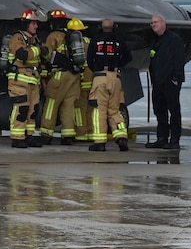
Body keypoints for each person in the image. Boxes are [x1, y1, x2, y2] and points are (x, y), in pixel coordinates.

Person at [86, 18, 132, 152]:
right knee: (115, 110)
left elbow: (90, 59)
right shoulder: (119, 41)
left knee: (98, 110)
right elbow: (128, 57)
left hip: (100, 77)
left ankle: (99, 142)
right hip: (115, 78)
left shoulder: (95, 40)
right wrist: (117, 65)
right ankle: (121, 137)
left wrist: (97, 68)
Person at [38, 10, 80, 145]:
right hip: (74, 76)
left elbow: (46, 55)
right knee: (68, 106)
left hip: (59, 75)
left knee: (51, 103)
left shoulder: (54, 36)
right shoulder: (71, 37)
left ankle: (46, 133)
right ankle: (68, 135)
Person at [147, 14, 187, 150]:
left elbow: (179, 60)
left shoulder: (175, 40)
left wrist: (175, 78)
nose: (153, 25)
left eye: (156, 22)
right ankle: (162, 138)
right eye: (152, 23)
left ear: (163, 23)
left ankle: (174, 139)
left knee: (174, 111)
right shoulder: (156, 41)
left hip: (170, 82)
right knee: (160, 111)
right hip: (158, 82)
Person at [5, 9, 43, 148]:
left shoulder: (35, 39)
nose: (36, 26)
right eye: (33, 23)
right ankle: (17, 137)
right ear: (26, 24)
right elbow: (22, 55)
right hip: (19, 80)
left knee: (33, 110)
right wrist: (39, 50)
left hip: (33, 81)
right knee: (21, 109)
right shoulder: (18, 38)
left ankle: (29, 135)